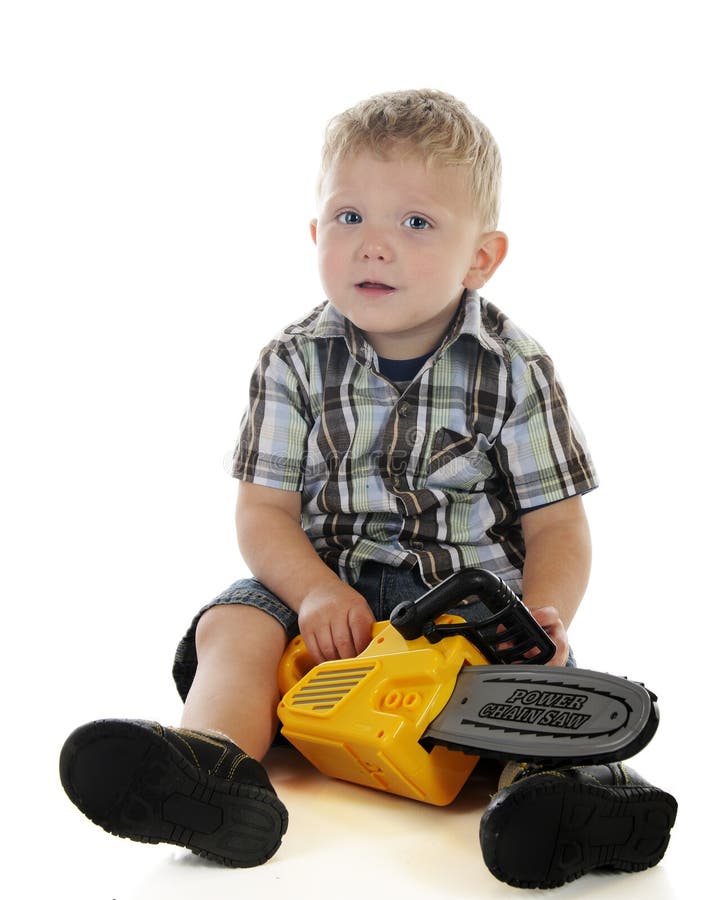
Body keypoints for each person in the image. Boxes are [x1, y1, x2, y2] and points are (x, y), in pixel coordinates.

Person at [59, 89, 676, 888]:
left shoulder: (514, 368)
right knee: (233, 622)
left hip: (462, 608)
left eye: (414, 224)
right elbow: (264, 513)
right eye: (349, 218)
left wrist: (543, 616)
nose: (373, 247)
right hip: (326, 605)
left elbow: (558, 524)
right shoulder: (291, 360)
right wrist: (312, 593)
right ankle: (209, 767)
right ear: (316, 233)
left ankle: (568, 800)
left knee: (533, 695)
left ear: (481, 257)